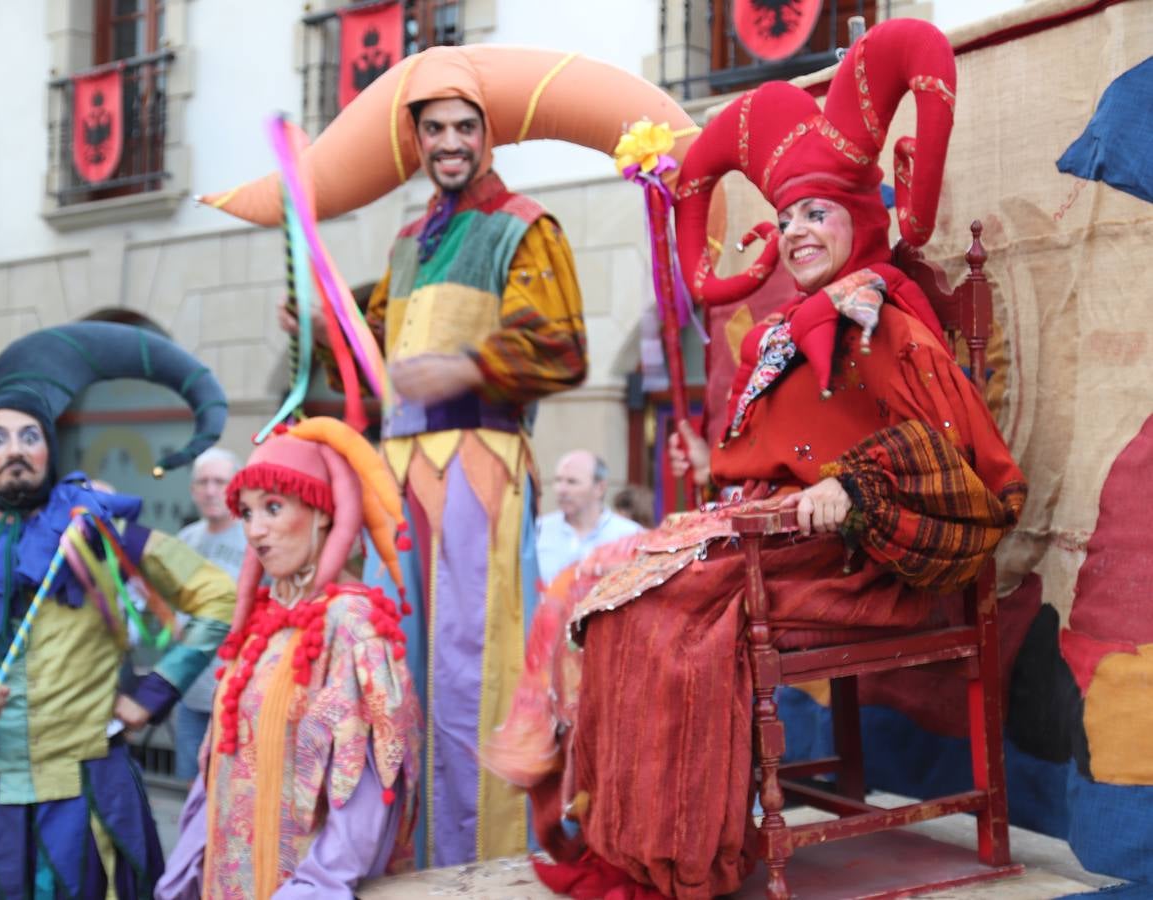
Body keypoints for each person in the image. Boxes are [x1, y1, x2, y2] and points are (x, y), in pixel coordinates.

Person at [487, 20, 1028, 899]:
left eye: (816, 213)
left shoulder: (883, 319)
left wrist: (851, 489)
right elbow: (768, 457)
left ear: (860, 217)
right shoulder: (784, 335)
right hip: (779, 541)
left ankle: (684, 851)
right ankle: (631, 838)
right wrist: (725, 470)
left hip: (862, 558)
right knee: (597, 594)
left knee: (668, 624)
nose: (798, 231)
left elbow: (956, 454)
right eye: (785, 218)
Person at [286, 83, 587, 864]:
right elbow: (376, 349)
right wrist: (324, 331)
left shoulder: (525, 226)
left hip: (479, 472)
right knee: (399, 670)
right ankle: (410, 855)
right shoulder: (408, 240)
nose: (449, 141)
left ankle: (490, 859)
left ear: (489, 136)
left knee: (471, 667)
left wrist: (465, 367)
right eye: (434, 130)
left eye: (463, 127)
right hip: (400, 481)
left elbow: (560, 344)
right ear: (417, 143)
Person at [0, 322, 235, 899]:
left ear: (50, 448)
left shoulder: (98, 528)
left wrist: (154, 693)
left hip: (86, 796)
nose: (15, 451)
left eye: (30, 435)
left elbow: (217, 596)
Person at [157, 417, 422, 900]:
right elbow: (220, 768)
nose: (255, 532)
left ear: (321, 511)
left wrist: (312, 890)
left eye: (273, 509)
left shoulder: (354, 626)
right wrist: (183, 873)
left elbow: (361, 795)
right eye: (248, 513)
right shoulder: (264, 625)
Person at [172, 447, 246, 782]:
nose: (211, 490)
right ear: (192, 490)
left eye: (220, 481)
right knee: (193, 794)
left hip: (238, 698)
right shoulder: (184, 541)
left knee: (236, 799)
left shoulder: (255, 537)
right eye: (202, 482)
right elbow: (165, 603)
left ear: (237, 486)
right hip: (190, 696)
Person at [536, 450, 642, 583]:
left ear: (600, 488)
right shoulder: (538, 530)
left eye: (572, 482)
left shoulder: (631, 535)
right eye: (558, 480)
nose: (561, 490)